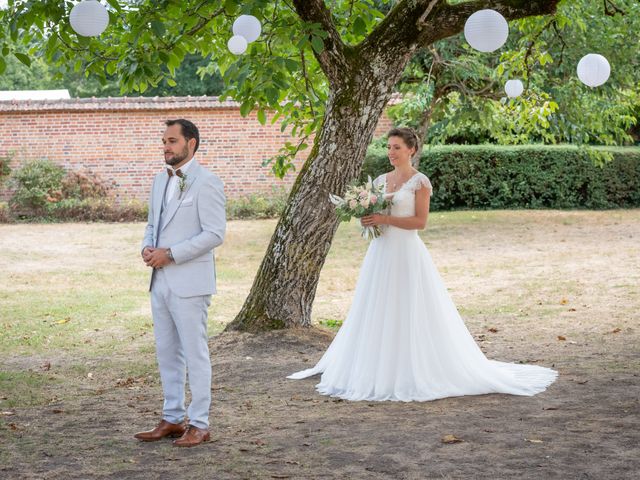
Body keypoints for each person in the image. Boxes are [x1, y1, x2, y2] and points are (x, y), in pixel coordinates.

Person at [287, 127, 557, 401]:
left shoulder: (420, 182)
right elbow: (374, 213)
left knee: (409, 306)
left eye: (397, 148)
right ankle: (376, 366)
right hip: (381, 252)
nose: (391, 152)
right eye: (389, 147)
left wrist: (384, 220)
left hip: (406, 253)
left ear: (411, 150)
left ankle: (411, 367)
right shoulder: (380, 180)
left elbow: (420, 222)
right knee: (377, 305)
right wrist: (366, 217)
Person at [135, 119, 226, 446]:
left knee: (194, 352)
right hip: (159, 281)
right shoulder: (160, 180)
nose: (166, 146)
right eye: (164, 141)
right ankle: (172, 418)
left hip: (190, 282)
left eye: (172, 141)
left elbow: (215, 234)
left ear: (192, 144)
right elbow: (152, 223)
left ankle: (199, 424)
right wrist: (147, 247)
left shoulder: (207, 182)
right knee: (167, 352)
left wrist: (171, 254)